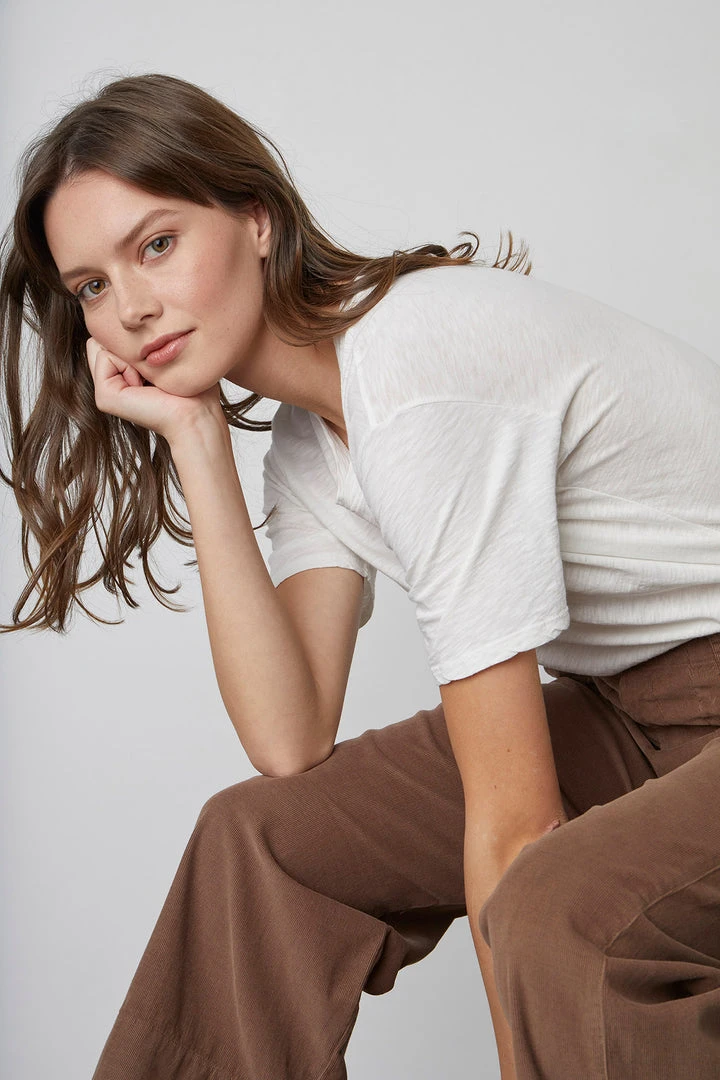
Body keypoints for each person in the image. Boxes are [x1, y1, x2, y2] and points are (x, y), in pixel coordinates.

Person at [1, 72, 719, 1080]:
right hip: (635, 712)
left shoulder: (414, 372)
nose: (132, 309)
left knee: (559, 909)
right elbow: (290, 738)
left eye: (155, 245)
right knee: (259, 842)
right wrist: (197, 441)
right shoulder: (316, 437)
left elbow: (518, 828)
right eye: (92, 287)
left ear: (256, 219)